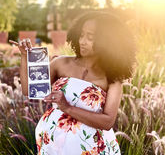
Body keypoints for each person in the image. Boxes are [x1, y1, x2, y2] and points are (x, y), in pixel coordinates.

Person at [9, 11, 136, 155]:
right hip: (55, 146)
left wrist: (67, 107)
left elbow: (107, 122)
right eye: (81, 35)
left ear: (106, 41)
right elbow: (28, 90)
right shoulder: (60, 63)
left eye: (90, 37)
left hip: (92, 149)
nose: (82, 41)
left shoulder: (112, 78)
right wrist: (25, 57)